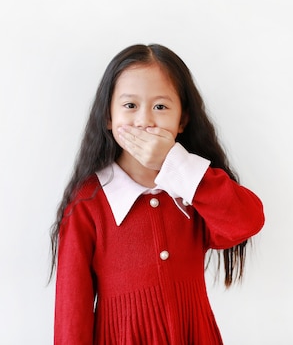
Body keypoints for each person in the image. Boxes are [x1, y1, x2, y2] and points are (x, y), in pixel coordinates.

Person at [50, 43, 265, 344]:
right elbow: (72, 313)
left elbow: (246, 222)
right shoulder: (87, 202)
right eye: (130, 106)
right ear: (108, 118)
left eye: (160, 107)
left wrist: (176, 164)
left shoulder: (194, 190)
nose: (145, 121)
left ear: (182, 120)